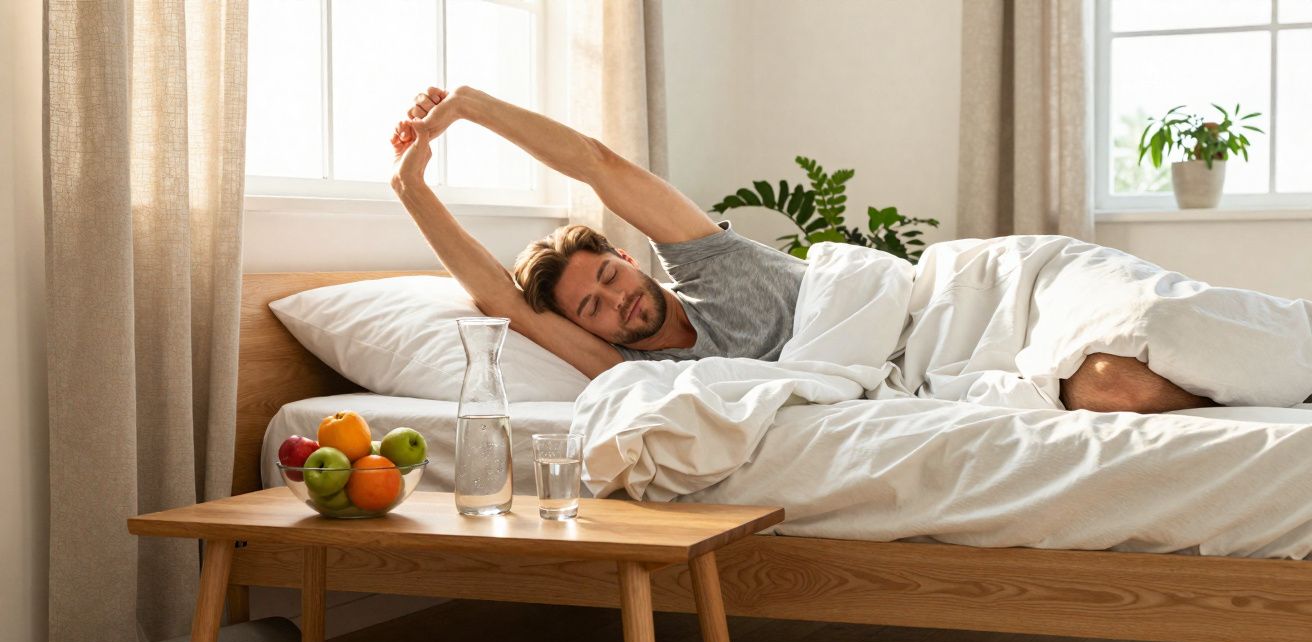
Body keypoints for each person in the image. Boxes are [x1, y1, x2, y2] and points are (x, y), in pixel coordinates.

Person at [390, 85, 1305, 414]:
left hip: (983, 293)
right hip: (943, 369)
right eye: (593, 307)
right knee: (1121, 385)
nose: (616, 302)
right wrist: (414, 192)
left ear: (629, 259)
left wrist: (472, 108)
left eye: (610, 276)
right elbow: (503, 304)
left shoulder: (702, 261)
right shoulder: (652, 376)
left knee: (1164, 316)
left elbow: (595, 162)